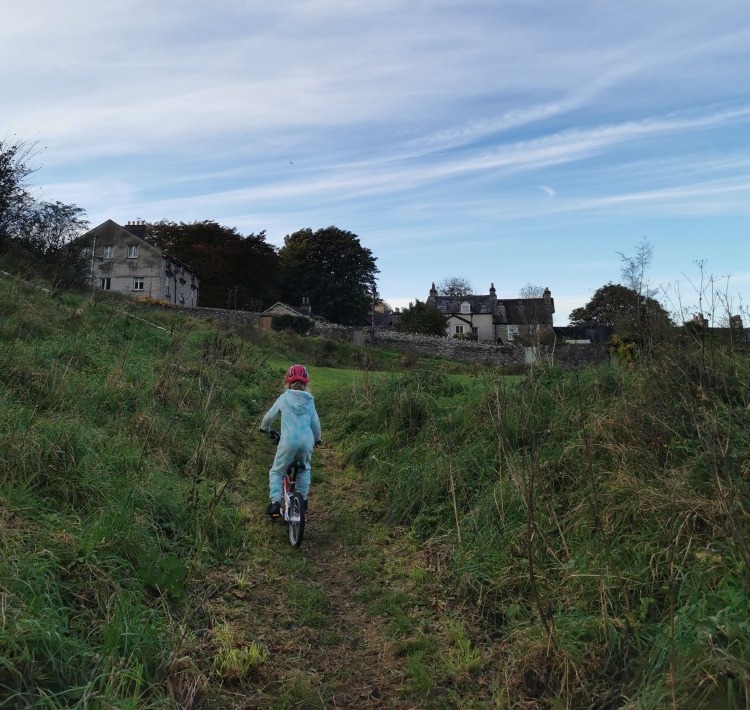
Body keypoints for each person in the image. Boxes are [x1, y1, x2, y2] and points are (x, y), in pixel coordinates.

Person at [259, 364, 321, 518]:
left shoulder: (284, 397)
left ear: (288, 382)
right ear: (306, 384)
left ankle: (275, 503)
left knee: (277, 471)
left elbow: (269, 416)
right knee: (304, 469)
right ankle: (303, 501)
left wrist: (264, 428)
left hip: (288, 441)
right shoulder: (310, 401)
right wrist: (318, 439)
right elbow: (315, 424)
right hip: (307, 442)